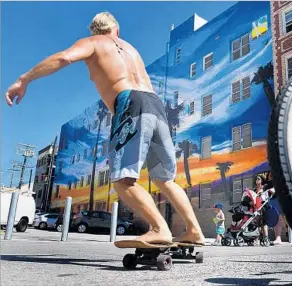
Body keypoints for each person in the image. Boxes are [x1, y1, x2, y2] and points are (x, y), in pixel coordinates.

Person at [4, 12, 204, 246]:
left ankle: (160, 229)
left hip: (131, 104)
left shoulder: (94, 42)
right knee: (165, 180)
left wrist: (24, 79)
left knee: (122, 180)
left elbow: (64, 58)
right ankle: (194, 231)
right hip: (156, 106)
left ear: (95, 31)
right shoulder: (131, 49)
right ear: (117, 30)